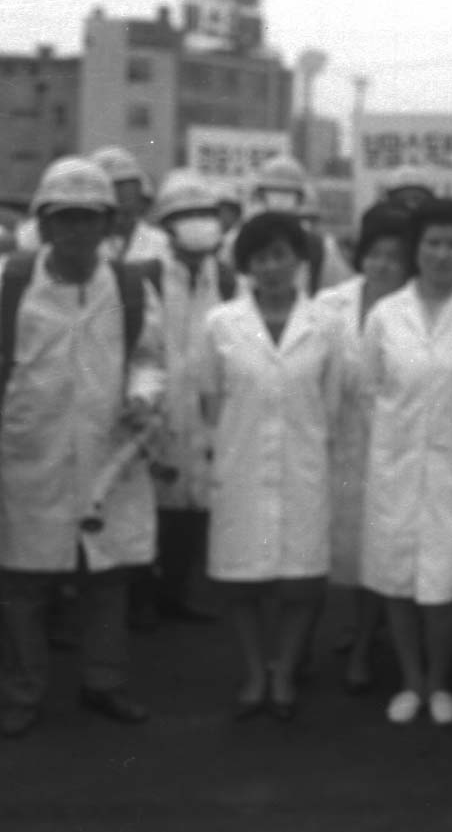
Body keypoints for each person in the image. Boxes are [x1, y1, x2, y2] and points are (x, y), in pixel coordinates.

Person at [0, 157, 165, 739]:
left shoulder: (129, 287)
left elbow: (149, 359)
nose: (76, 231)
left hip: (106, 456)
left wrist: (143, 397)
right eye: (63, 218)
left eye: (88, 219)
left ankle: (104, 683)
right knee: (22, 582)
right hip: (28, 457)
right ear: (43, 224)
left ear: (108, 226)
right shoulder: (10, 284)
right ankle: (21, 693)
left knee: (108, 577)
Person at [197, 211, 348, 720]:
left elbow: (332, 402)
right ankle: (254, 669)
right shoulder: (221, 323)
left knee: (299, 581)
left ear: (299, 260)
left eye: (280, 254)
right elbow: (209, 398)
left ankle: (283, 670)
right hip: (240, 463)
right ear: (246, 265)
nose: (271, 267)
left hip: (303, 466)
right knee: (243, 579)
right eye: (260, 257)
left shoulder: (325, 324)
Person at [357, 198, 452, 727]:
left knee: (441, 586)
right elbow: (370, 392)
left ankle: (439, 682)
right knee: (395, 579)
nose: (441, 254)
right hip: (395, 466)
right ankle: (410, 682)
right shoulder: (385, 315)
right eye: (432, 243)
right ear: (416, 251)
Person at [315, 202, 412, 693]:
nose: (383, 265)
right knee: (347, 545)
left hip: (390, 446)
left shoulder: (410, 309)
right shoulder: (331, 302)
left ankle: (364, 645)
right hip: (340, 440)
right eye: (375, 253)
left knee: (379, 543)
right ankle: (357, 625)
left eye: (395, 256)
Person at [141, 169, 236, 623]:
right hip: (155, 413)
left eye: (205, 214)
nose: (198, 223)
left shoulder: (233, 281)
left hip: (209, 414)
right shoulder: (145, 277)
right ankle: (144, 598)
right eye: (186, 215)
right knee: (149, 506)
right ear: (165, 224)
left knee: (198, 504)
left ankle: (177, 592)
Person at [246, 155, 351, 294]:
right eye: (273, 191)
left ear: (301, 198)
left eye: (287, 193)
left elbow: (339, 296)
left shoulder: (320, 247)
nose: (279, 199)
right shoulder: (240, 241)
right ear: (260, 195)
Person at [90, 146, 171, 263]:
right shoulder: (79, 242)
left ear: (139, 188)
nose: (118, 192)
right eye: (113, 184)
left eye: (124, 184)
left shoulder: (162, 242)